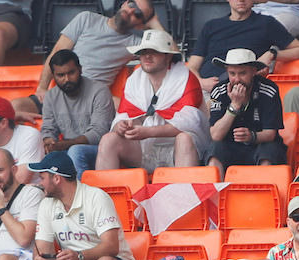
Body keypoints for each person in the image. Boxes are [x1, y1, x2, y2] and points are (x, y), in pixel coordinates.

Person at [28, 0, 161, 119]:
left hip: (94, 99)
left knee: (127, 107)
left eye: (137, 14)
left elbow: (171, 56)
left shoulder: (134, 43)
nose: (131, 10)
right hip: (64, 91)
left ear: (139, 26)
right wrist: (42, 87)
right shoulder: (86, 18)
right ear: (124, 3)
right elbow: (57, 53)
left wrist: (155, 23)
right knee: (17, 106)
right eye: (132, 4)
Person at [96, 31, 205, 174]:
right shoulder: (134, 80)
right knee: (108, 140)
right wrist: (121, 126)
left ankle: (184, 194)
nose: (147, 56)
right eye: (143, 52)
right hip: (145, 149)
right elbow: (124, 115)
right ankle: (104, 194)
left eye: (154, 51)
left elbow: (189, 124)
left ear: (168, 56)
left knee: (185, 138)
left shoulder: (186, 78)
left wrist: (148, 132)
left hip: (177, 150)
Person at [30, 152, 135, 260]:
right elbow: (43, 250)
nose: (40, 183)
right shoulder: (46, 204)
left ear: (56, 179)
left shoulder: (96, 197)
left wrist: (79, 256)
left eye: (42, 178)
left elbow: (111, 246)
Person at [186, 0, 299, 93]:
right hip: (205, 88)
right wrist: (200, 83)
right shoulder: (211, 26)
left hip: (242, 89)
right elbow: (192, 66)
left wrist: (272, 54)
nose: (241, 0)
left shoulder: (266, 23)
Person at [206, 49, 287, 179]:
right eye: (232, 73)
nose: (237, 79)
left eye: (242, 73)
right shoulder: (219, 91)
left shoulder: (269, 90)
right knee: (215, 148)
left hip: (259, 146)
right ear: (227, 71)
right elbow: (216, 135)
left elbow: (271, 134)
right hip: (230, 147)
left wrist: (252, 136)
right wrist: (234, 106)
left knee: (269, 149)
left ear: (253, 71)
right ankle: (216, 196)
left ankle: (264, 195)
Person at [39, 50, 115, 179]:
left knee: (76, 151)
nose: (67, 79)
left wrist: (65, 145)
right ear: (53, 76)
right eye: (61, 75)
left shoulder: (99, 91)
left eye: (71, 72)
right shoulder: (51, 96)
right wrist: (48, 141)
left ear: (80, 69)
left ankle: (80, 196)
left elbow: (99, 133)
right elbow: (48, 128)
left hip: (99, 150)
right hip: (66, 149)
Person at [0, 149, 41, 260]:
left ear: (14, 170)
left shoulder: (31, 193)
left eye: (0, 170)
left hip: (22, 258)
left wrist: (1, 208)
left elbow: (24, 239)